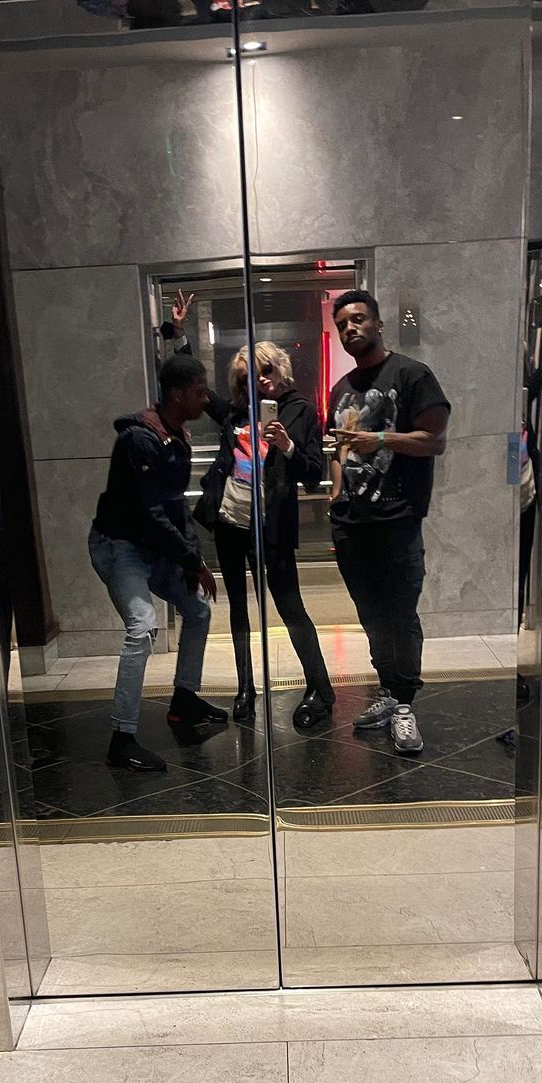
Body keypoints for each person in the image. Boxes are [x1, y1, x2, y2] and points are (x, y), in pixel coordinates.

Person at [89, 354, 227, 772]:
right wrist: (191, 560)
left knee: (197, 610)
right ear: (178, 395)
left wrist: (192, 558)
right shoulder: (140, 440)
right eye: (200, 392)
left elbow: (175, 506)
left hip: (150, 546)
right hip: (121, 546)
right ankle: (122, 739)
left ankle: (184, 700)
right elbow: (151, 513)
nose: (206, 399)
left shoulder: (175, 435)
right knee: (143, 628)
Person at [327, 289, 451, 755]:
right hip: (351, 522)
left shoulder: (412, 374)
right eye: (342, 323)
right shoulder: (341, 389)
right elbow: (338, 448)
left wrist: (380, 439)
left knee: (400, 613)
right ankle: (388, 689)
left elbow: (434, 441)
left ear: (378, 324)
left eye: (359, 319)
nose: (350, 328)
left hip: (397, 518)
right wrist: (336, 494)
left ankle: (404, 703)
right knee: (371, 615)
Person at [195, 342, 335, 728]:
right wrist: (178, 336)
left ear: (280, 367)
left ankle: (321, 689)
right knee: (238, 608)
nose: (259, 380)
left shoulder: (299, 410)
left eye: (266, 370)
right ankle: (245, 688)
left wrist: (287, 446)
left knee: (290, 606)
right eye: (247, 377)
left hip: (271, 527)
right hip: (230, 521)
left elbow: (313, 473)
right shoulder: (237, 412)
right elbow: (202, 393)